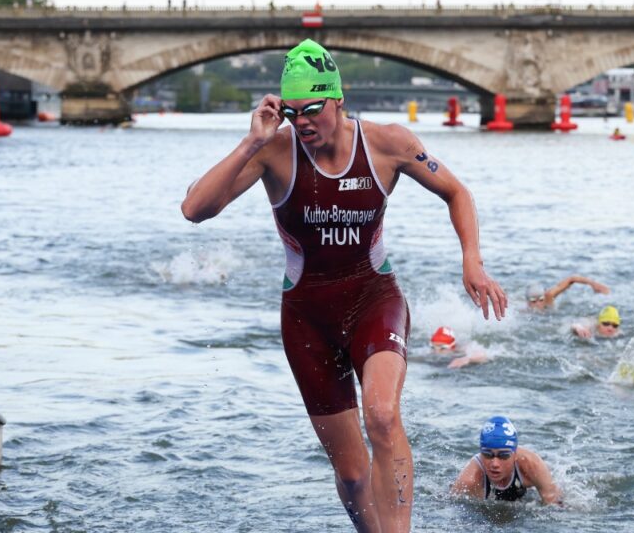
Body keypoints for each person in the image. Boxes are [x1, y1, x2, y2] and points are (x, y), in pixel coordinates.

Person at [180, 39, 507, 533]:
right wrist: (251, 141)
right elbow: (194, 209)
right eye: (292, 112)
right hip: (307, 318)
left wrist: (472, 261)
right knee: (352, 474)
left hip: (374, 298)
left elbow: (456, 191)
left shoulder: (387, 143)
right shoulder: (274, 151)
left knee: (380, 414)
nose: (303, 121)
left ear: (338, 99)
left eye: (313, 108)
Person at [451, 416, 562, 505]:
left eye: (503, 456)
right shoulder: (470, 480)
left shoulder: (532, 465)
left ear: (515, 454)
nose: (494, 464)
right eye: (487, 455)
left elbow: (555, 505)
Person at [525, 275, 610, 312]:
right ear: (528, 303)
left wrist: (593, 284)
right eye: (533, 301)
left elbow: (571, 279)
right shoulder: (523, 311)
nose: (538, 304)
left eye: (541, 300)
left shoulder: (549, 296)